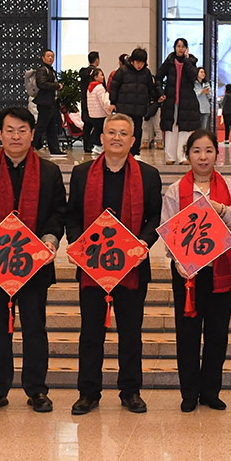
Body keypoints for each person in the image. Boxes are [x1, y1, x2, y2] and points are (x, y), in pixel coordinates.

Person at [0, 107, 66, 414]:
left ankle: (37, 389)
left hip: (34, 265)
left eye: (22, 130)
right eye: (10, 130)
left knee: (35, 329)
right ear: (0, 134)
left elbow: (58, 212)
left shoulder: (49, 172)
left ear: (32, 134)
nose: (16, 136)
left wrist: (50, 239)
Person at [66, 113, 163, 415]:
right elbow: (72, 215)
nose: (117, 138)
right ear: (102, 137)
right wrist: (78, 244)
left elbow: (155, 217)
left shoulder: (148, 175)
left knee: (131, 333)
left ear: (132, 141)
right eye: (111, 132)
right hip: (92, 267)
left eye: (123, 133)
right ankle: (88, 392)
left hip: (132, 267)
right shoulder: (82, 173)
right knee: (90, 333)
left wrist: (144, 242)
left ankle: (130, 391)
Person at [161, 130, 231, 412]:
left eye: (209, 150)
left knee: (217, 334)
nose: (203, 157)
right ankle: (189, 393)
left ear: (216, 154)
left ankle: (211, 391)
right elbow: (168, 231)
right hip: (187, 274)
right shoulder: (175, 190)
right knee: (187, 334)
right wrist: (178, 259)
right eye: (197, 151)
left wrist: (222, 210)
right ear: (187, 155)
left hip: (221, 270)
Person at [157, 37, 201, 164]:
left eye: (183, 46)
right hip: (171, 101)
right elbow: (158, 77)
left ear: (186, 48)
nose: (180, 49)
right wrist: (161, 92)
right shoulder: (169, 61)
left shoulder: (191, 61)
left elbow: (193, 77)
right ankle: (170, 157)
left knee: (184, 129)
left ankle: (182, 157)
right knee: (170, 128)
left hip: (186, 101)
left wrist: (187, 61)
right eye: (178, 46)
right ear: (174, 48)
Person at [109, 47, 157, 158]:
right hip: (124, 108)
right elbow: (114, 87)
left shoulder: (146, 73)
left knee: (137, 131)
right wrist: (113, 102)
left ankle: (135, 152)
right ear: (132, 60)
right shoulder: (123, 71)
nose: (139, 65)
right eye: (137, 62)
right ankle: (122, 150)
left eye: (142, 62)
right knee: (123, 130)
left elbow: (151, 88)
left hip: (139, 109)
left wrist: (156, 98)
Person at [32, 49, 62, 154]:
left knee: (51, 128)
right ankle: (30, 145)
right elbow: (41, 83)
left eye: (52, 56)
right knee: (41, 126)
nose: (50, 58)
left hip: (51, 103)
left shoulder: (51, 70)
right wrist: (57, 86)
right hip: (45, 103)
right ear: (43, 58)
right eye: (48, 56)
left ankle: (55, 149)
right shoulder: (42, 70)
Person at [85, 66, 111, 156]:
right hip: (100, 113)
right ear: (95, 77)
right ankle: (97, 146)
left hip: (93, 114)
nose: (103, 77)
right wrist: (108, 112)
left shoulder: (90, 87)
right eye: (101, 75)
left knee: (96, 130)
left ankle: (95, 146)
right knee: (100, 131)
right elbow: (103, 102)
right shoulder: (99, 87)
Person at [80, 50, 100, 150]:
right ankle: (91, 143)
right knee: (97, 125)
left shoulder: (83, 72)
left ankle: (86, 145)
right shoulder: (97, 73)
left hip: (84, 101)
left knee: (87, 125)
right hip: (94, 103)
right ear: (97, 60)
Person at [195, 66, 213, 132]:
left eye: (204, 72)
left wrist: (207, 93)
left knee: (203, 128)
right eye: (201, 72)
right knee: (196, 128)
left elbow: (210, 96)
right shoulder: (194, 83)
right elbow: (193, 95)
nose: (203, 74)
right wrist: (201, 92)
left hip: (205, 108)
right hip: (196, 108)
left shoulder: (206, 84)